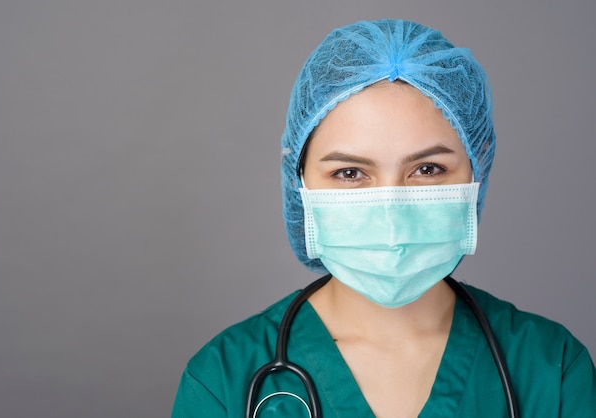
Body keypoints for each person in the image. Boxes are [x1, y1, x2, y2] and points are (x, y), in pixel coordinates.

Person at [172, 19, 596, 417]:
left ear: (477, 171)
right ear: (298, 183)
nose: (392, 211)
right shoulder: (223, 379)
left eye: (427, 169)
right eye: (350, 173)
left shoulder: (551, 368)